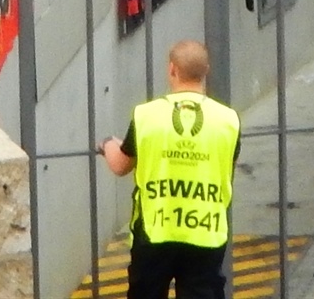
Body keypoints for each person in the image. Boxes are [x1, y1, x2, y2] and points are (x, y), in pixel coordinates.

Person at [102, 39, 244, 298]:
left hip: (154, 231)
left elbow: (121, 165)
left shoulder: (147, 116)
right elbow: (227, 166)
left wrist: (107, 145)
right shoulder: (227, 120)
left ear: (172, 69)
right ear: (206, 71)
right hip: (205, 233)